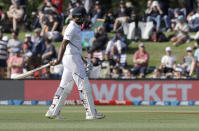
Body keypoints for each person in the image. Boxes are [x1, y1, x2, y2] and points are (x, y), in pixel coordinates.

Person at [45, 7, 105, 119]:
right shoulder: (72, 27)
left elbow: (74, 48)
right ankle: (91, 113)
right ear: (77, 17)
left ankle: (53, 111)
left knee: (65, 86)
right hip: (72, 60)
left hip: (72, 58)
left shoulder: (76, 27)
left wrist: (82, 60)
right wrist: (58, 60)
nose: (85, 18)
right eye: (83, 16)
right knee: (84, 85)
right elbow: (64, 44)